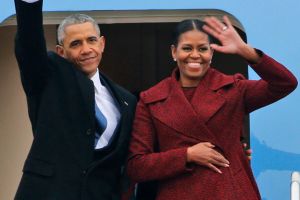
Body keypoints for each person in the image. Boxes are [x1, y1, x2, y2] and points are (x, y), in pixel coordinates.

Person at [126, 16, 297, 200]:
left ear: (211, 53)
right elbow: (137, 167)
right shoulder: (151, 99)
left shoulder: (234, 89)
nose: (195, 55)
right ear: (174, 52)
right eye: (187, 48)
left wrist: (245, 51)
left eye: (202, 49)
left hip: (231, 193)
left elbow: (285, 83)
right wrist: (188, 155)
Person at [14, 0, 136, 199]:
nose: (86, 49)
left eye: (91, 40)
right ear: (61, 52)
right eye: (76, 44)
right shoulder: (48, 77)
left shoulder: (127, 100)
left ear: (102, 43)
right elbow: (29, 46)